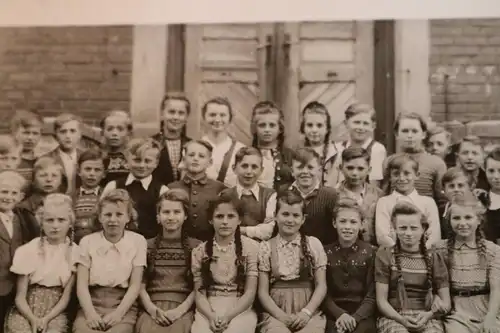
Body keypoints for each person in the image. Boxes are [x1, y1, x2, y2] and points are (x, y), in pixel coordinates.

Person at [73, 189, 147, 333]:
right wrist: (90, 314)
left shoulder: (138, 241)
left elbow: (135, 285)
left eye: (119, 214)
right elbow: (81, 285)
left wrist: (118, 314)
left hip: (123, 304)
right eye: (107, 215)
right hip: (91, 303)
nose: (113, 220)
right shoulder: (87, 241)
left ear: (128, 217)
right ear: (100, 217)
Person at [5, 194, 79, 333]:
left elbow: (65, 298)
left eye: (61, 220)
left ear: (70, 223)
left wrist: (46, 319)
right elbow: (20, 297)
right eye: (49, 220)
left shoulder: (76, 253)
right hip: (26, 308)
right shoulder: (28, 250)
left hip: (56, 311)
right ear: (41, 222)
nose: (55, 226)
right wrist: (33, 319)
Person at [257, 190, 327, 333]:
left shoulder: (313, 244)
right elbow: (263, 292)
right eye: (285, 214)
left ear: (303, 219)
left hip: (308, 310)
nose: (290, 220)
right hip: (276, 311)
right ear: (276, 216)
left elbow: (321, 286)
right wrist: (281, 316)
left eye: (296, 215)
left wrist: (306, 313)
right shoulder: (266, 247)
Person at [375, 201, 450, 333]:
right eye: (403, 228)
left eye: (414, 228)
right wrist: (402, 320)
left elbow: (446, 303)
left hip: (426, 317)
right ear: (394, 228)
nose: (408, 233)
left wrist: (429, 315)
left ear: (423, 229)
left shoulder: (434, 258)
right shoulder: (385, 254)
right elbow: (381, 302)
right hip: (394, 316)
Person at [190, 194, 259, 333]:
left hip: (240, 308)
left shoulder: (251, 248)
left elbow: (250, 292)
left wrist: (228, 316)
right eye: (219, 216)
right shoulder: (200, 251)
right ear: (210, 220)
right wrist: (210, 316)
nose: (225, 222)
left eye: (231, 216)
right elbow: (200, 293)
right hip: (209, 307)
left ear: (239, 220)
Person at [136, 189, 200, 333]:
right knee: (147, 328)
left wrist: (179, 311)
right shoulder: (145, 246)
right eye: (166, 212)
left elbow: (199, 286)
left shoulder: (196, 247)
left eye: (177, 212)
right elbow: (139, 284)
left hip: (184, 307)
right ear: (158, 217)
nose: (171, 217)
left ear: (185, 216)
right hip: (151, 306)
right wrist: (152, 310)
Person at [436, 194, 500, 333]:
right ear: (449, 221)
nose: (462, 223)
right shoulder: (440, 249)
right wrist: (436, 298)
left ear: (478, 220)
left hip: (486, 308)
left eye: (468, 217)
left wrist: (490, 317)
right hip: (456, 312)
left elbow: (496, 289)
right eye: (456, 218)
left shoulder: (493, 251)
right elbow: (434, 284)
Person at [323, 198, 377, 333]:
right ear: (334, 223)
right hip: (333, 313)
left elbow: (373, 294)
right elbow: (323, 292)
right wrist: (339, 314)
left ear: (362, 224)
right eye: (342, 221)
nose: (347, 227)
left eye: (353, 222)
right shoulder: (324, 252)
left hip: (363, 314)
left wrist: (356, 317)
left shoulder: (372, 253)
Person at [101, 138, 168, 239]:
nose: (142, 165)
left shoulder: (162, 191)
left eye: (147, 161)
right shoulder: (113, 186)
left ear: (156, 163)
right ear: (127, 161)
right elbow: (102, 215)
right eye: (137, 160)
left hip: (149, 244)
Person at [376, 154, 441, 248]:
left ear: (417, 175)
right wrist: (402, 253)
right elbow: (382, 236)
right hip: (394, 256)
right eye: (396, 174)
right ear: (390, 177)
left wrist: (419, 253)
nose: (402, 178)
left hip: (423, 256)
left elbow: (435, 236)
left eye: (407, 173)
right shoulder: (384, 202)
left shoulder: (428, 202)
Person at [0, 171, 39, 328]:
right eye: (4, 191)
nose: (8, 197)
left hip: (16, 286)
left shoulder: (22, 219)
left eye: (13, 193)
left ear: (20, 197)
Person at [167, 140, 226, 242]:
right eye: (191, 155)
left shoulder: (219, 188)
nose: (195, 159)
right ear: (184, 159)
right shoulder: (171, 188)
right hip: (179, 243)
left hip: (210, 243)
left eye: (201, 156)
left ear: (210, 162)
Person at [385, 112, 447, 202]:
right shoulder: (389, 161)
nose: (410, 136)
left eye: (414, 131)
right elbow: (385, 194)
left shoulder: (436, 163)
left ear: (423, 134)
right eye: (405, 131)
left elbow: (442, 199)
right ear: (396, 134)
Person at [219, 147, 277, 241]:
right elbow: (221, 227)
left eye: (254, 167)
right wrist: (256, 229)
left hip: (260, 250)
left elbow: (268, 231)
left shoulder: (269, 195)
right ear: (234, 169)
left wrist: (239, 229)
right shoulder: (225, 195)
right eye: (244, 166)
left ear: (261, 170)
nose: (249, 172)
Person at [335, 147, 383, 245]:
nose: (354, 173)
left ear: (369, 170)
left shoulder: (379, 195)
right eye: (350, 168)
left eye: (360, 169)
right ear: (341, 168)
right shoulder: (332, 195)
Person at [332, 102, 387, 188]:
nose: (361, 127)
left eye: (365, 123)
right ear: (346, 123)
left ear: (373, 126)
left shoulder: (376, 149)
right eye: (356, 122)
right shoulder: (338, 148)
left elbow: (374, 185)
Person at [200, 97, 246, 188]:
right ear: (204, 117)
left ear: (230, 118)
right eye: (212, 115)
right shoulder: (194, 147)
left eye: (222, 115)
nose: (217, 120)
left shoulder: (240, 149)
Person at [250, 101, 294, 190]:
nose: (267, 129)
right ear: (254, 128)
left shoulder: (290, 156)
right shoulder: (247, 154)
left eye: (272, 125)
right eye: (262, 125)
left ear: (280, 128)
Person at [152, 92, 192, 186]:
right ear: (162, 114)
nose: (176, 117)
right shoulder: (151, 143)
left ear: (186, 117)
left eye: (181, 113)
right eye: (171, 112)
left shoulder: (192, 145)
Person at [39, 113, 83, 195]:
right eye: (63, 132)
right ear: (56, 135)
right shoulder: (46, 159)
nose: (68, 136)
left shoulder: (86, 157)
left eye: (72, 131)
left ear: (79, 134)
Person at [299, 101, 339, 187]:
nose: (314, 130)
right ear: (303, 128)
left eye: (319, 125)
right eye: (309, 125)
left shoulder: (337, 153)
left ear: (327, 128)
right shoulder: (298, 154)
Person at [73, 149, 106, 243]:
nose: (92, 174)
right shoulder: (71, 197)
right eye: (87, 169)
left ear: (104, 174)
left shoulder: (106, 196)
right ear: (79, 171)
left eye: (97, 170)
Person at [10, 110, 44, 184]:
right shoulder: (8, 160)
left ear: (40, 135)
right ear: (14, 133)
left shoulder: (42, 158)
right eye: (26, 133)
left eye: (35, 133)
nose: (30, 137)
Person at [100, 110, 132, 185]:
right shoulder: (97, 157)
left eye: (120, 129)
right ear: (102, 132)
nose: (114, 133)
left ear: (128, 133)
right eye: (110, 129)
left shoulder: (134, 158)